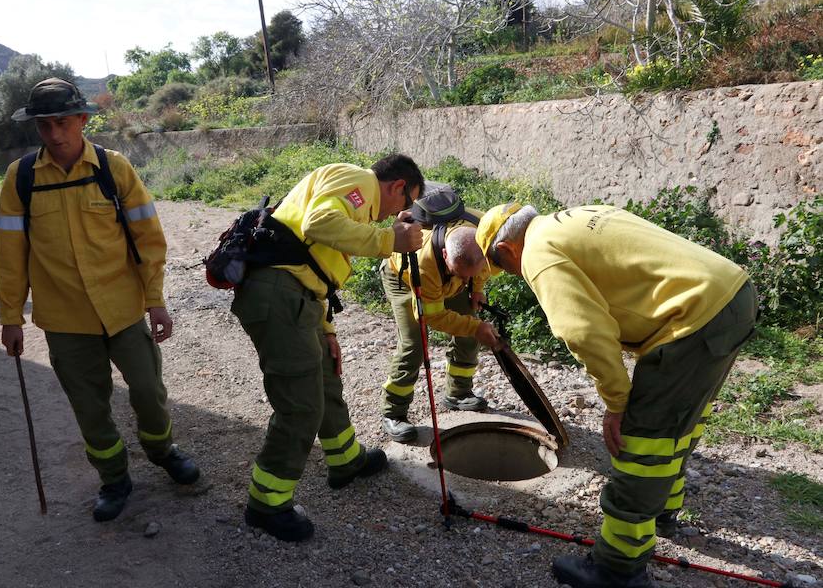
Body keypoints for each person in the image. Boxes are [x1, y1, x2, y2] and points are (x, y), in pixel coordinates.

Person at [475, 203, 757, 588]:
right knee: (679, 420)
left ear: (507, 249)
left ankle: (616, 569)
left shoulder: (538, 252)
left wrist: (617, 404)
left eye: (506, 269)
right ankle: (661, 511)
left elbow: (584, 333)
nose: (516, 275)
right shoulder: (574, 217)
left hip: (692, 318)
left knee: (642, 442)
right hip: (731, 295)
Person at [0, 78, 200, 523]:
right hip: (65, 320)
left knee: (148, 392)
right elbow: (11, 254)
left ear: (83, 119)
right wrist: (10, 317)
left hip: (123, 309)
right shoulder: (22, 178)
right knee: (90, 409)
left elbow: (149, 238)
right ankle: (114, 478)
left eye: (63, 122)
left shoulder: (114, 168)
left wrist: (155, 299)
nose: (54, 133)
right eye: (44, 125)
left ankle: (163, 452)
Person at [231, 155, 424, 542]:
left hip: (300, 299)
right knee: (300, 405)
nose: (395, 215)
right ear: (396, 186)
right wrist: (392, 240)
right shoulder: (357, 183)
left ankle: (345, 461)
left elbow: (311, 263)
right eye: (402, 206)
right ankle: (266, 504)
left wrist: (327, 329)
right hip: (279, 297)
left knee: (325, 381)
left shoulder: (355, 197)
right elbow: (318, 224)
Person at [379, 205, 501, 443]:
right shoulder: (423, 262)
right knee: (415, 344)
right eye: (462, 274)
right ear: (445, 254)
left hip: (448, 272)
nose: (465, 280)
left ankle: (458, 392)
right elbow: (433, 317)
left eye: (469, 275)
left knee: (468, 327)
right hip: (404, 279)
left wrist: (476, 288)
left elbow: (479, 268)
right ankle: (393, 412)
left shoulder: (483, 232)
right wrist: (476, 327)